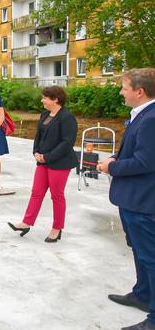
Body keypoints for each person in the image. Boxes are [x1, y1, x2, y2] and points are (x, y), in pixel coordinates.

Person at [97, 68, 155, 330]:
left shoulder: (151, 118)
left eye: (124, 87)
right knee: (140, 252)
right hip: (132, 200)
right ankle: (143, 295)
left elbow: (145, 161)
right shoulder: (142, 115)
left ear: (139, 91)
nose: (121, 91)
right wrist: (116, 161)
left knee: (151, 257)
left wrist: (111, 167)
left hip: (143, 202)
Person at [8, 86, 77, 243]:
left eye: (45, 98)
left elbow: (67, 143)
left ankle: (57, 228)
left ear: (56, 100)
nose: (42, 100)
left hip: (59, 163)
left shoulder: (67, 117)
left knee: (57, 196)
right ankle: (26, 223)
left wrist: (48, 157)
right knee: (36, 192)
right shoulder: (45, 114)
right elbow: (38, 136)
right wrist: (36, 152)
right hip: (43, 160)